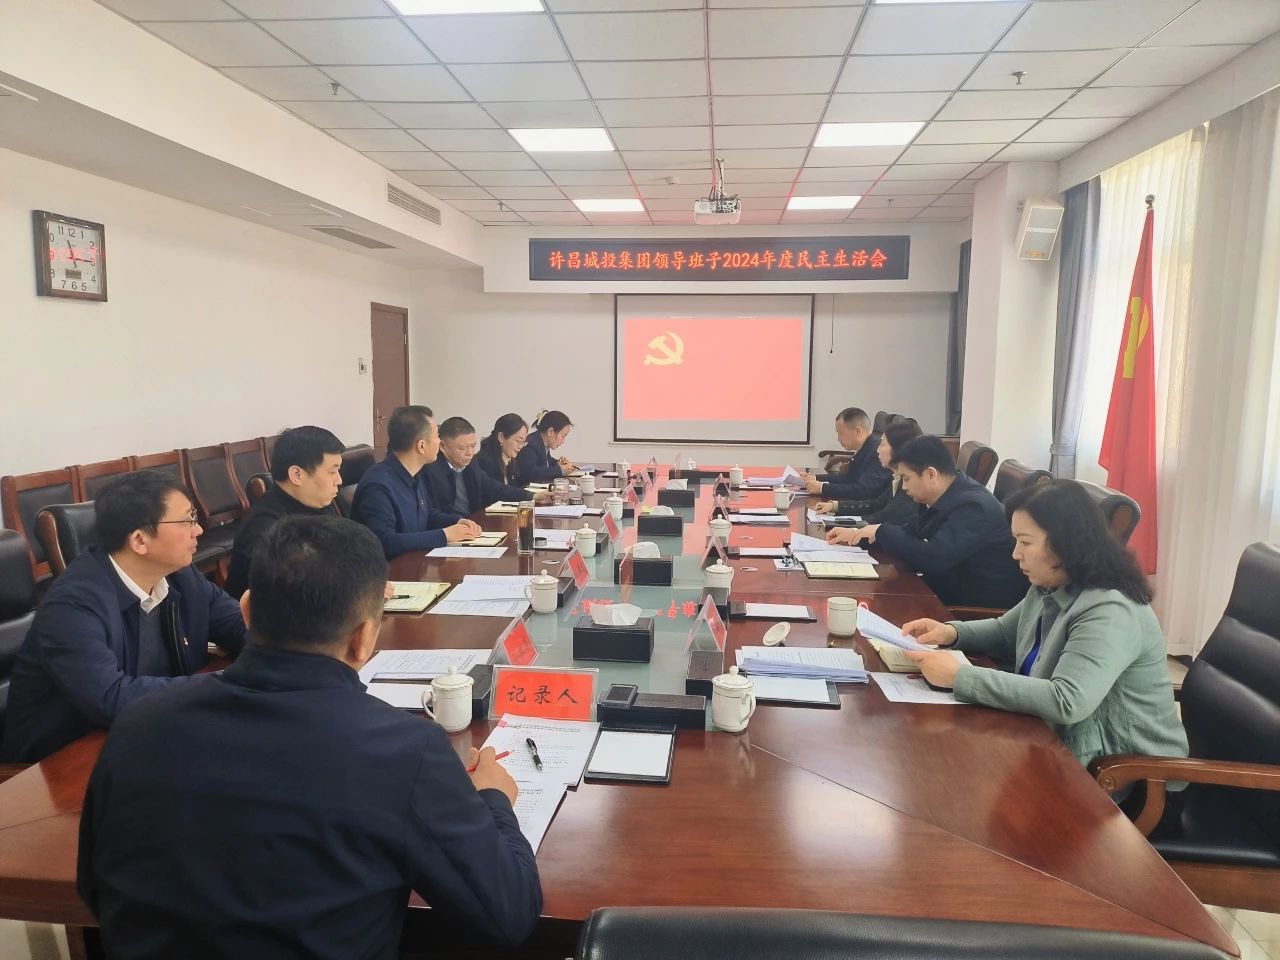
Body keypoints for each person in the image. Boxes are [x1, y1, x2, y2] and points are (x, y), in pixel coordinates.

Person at [77, 515, 542, 958]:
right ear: (364, 637)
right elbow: (509, 915)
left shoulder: (138, 724)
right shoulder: (404, 750)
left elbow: (95, 888)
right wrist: (495, 801)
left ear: (245, 610)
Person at [900, 480, 1188, 822]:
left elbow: (1067, 700)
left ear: (1065, 544)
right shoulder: (1053, 583)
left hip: (1134, 782)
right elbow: (1006, 632)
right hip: (1066, 750)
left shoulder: (1109, 608)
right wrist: (951, 632)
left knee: (969, 801)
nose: (1015, 554)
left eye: (1025, 542)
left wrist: (961, 677)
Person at [1, 472, 246, 763]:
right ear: (140, 540)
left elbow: (238, 625)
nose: (199, 530)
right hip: (57, 762)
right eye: (186, 521)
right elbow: (109, 698)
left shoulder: (181, 575)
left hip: (143, 734)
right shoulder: (72, 605)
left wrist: (271, 659)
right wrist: (222, 684)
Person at [828, 435, 1027, 609]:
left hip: (969, 609)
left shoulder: (973, 507)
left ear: (931, 474)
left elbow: (934, 558)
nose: (904, 487)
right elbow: (912, 530)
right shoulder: (948, 493)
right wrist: (858, 535)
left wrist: (882, 532)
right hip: (942, 591)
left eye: (907, 479)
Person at [225, 425, 343, 598]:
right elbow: (291, 592)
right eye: (332, 471)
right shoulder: (265, 528)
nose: (339, 480)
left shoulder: (319, 505)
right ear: (297, 475)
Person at [351, 405, 482, 558]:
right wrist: (445, 535)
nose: (440, 442)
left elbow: (427, 515)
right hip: (391, 569)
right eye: (437, 435)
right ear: (421, 446)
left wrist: (457, 521)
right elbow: (385, 542)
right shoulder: (378, 486)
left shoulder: (414, 474)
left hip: (415, 562)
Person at [814, 418, 923, 526]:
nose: (878, 450)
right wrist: (834, 506)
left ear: (899, 449)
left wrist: (841, 524)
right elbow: (876, 504)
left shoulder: (911, 486)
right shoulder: (897, 477)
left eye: (882, 444)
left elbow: (883, 518)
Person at [424, 416, 539, 516]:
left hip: (473, 522)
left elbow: (494, 487)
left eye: (473, 446)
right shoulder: (431, 471)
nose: (470, 453)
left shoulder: (471, 464)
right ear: (442, 446)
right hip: (453, 527)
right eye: (462, 448)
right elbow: (435, 514)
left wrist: (532, 496)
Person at [802, 407, 892, 500]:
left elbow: (864, 490)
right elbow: (848, 478)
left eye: (841, 433)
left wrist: (822, 488)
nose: (838, 439)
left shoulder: (877, 453)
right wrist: (815, 478)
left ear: (858, 431)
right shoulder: (865, 448)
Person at [516, 410, 575, 483]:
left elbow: (545, 461)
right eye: (563, 436)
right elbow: (531, 472)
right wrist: (560, 470)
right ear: (550, 432)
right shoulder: (530, 445)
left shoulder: (542, 442)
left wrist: (557, 463)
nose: (563, 441)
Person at [474, 412, 530, 488]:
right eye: (518, 441)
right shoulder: (485, 462)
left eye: (523, 442)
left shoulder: (511, 460)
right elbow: (497, 492)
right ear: (501, 437)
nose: (520, 446)